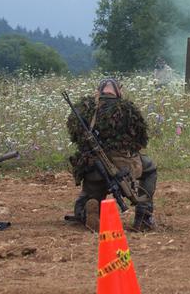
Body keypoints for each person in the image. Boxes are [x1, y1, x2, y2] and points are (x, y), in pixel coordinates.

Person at [66, 77, 158, 232]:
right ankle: (144, 217)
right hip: (123, 167)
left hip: (92, 168)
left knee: (90, 198)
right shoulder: (128, 109)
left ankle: (85, 213)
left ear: (98, 91)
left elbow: (75, 136)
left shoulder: (83, 108)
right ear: (119, 91)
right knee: (150, 168)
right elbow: (141, 140)